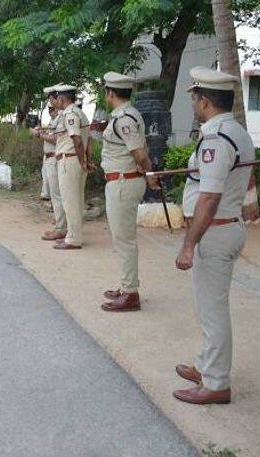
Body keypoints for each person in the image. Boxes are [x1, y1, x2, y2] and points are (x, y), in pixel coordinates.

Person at [173, 67, 254, 406]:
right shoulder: (235, 130)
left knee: (212, 310)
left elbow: (210, 196)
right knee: (210, 306)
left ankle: (217, 383)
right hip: (224, 228)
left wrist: (189, 244)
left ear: (204, 101)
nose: (193, 104)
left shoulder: (217, 137)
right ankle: (207, 366)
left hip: (215, 232)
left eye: (194, 98)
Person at [99, 72, 159, 312]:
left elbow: (140, 154)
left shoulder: (123, 119)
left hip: (123, 183)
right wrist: (149, 174)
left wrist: (149, 172)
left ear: (110, 93)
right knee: (123, 238)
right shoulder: (130, 115)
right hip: (123, 181)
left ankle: (130, 293)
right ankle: (126, 286)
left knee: (124, 240)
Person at [51, 85, 92, 250]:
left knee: (71, 201)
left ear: (62, 99)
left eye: (58, 98)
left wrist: (82, 161)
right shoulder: (81, 113)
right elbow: (89, 140)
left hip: (70, 160)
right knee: (77, 200)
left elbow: (77, 139)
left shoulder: (70, 114)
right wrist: (87, 160)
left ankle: (74, 239)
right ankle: (74, 235)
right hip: (75, 160)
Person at [32, 87, 67, 242]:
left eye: (51, 102)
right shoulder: (57, 119)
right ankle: (60, 222)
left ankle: (61, 227)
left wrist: (40, 134)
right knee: (55, 194)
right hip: (51, 158)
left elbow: (56, 139)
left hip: (55, 158)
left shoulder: (63, 117)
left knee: (58, 194)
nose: (50, 107)